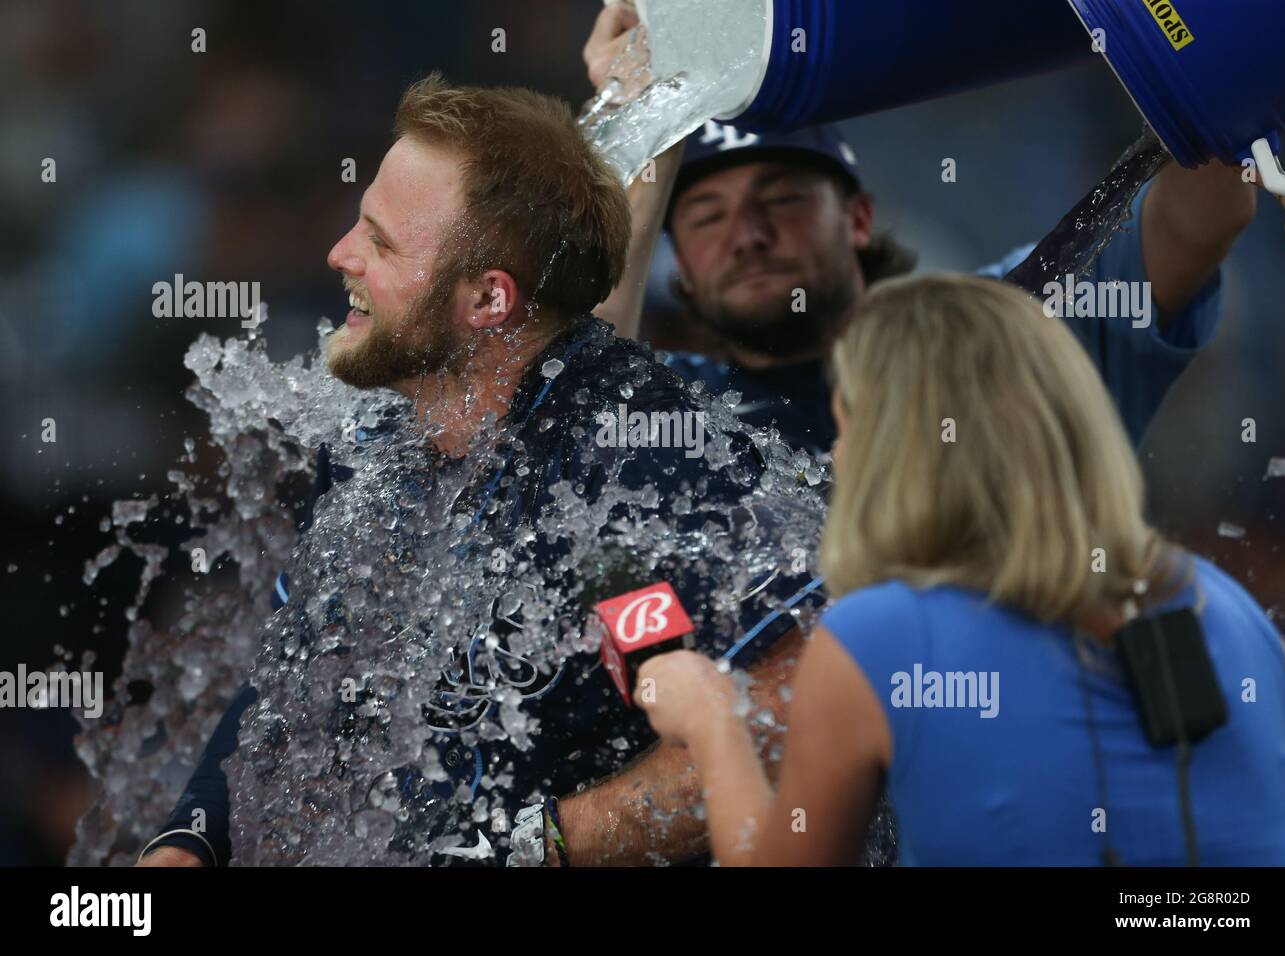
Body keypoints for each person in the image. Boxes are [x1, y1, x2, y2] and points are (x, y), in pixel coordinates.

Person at [136, 72, 817, 867]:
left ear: (489, 301)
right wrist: (190, 838)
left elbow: (786, 722)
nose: (338, 254)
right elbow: (297, 681)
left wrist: (538, 848)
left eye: (379, 241)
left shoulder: (642, 462)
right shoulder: (372, 440)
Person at [636, 273, 1285, 866]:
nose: (836, 458)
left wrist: (711, 717)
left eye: (848, 427)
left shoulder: (883, 635)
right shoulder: (1222, 604)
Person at [584, 5, 1258, 458]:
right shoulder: (662, 424)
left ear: (859, 218)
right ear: (679, 266)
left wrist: (1234, 44)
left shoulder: (1000, 340)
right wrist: (641, 100)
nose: (749, 233)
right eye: (706, 217)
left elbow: (1200, 217)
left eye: (782, 197)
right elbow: (561, 384)